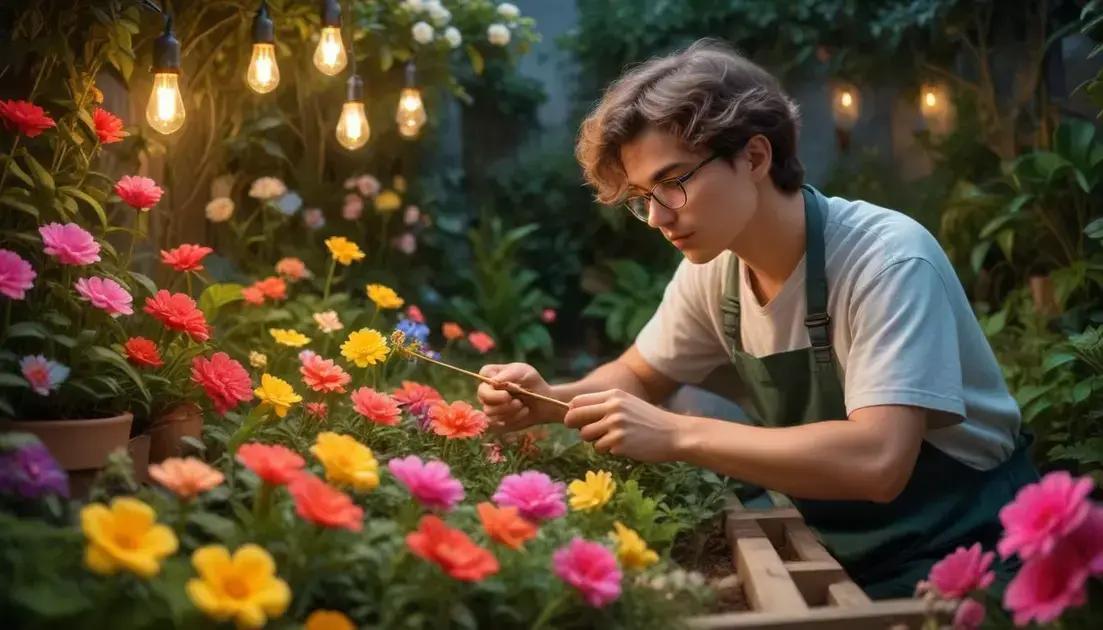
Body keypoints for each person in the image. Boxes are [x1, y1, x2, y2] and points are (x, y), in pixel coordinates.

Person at [476, 39, 1037, 599]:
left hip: (972, 560)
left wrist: (678, 433)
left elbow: (879, 462)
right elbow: (640, 376)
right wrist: (550, 399)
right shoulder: (715, 269)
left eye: (673, 182)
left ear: (754, 157)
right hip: (841, 553)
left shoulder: (886, 260)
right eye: (643, 196)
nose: (655, 216)